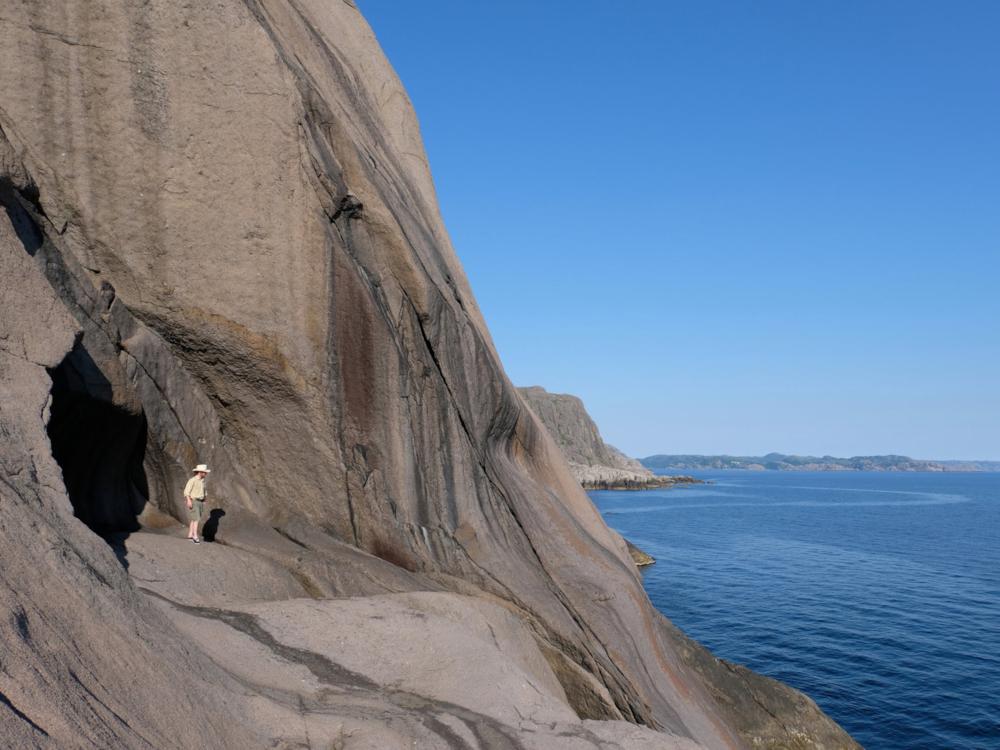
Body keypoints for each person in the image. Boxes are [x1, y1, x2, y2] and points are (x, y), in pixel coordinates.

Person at [183, 464, 210, 543]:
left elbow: (204, 492)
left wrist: (204, 499)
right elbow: (186, 492)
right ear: (200, 472)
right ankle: (195, 536)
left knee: (194, 518)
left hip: (200, 502)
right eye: (204, 472)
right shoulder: (192, 480)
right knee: (196, 519)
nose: (206, 474)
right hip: (194, 501)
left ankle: (190, 535)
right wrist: (188, 500)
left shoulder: (202, 481)